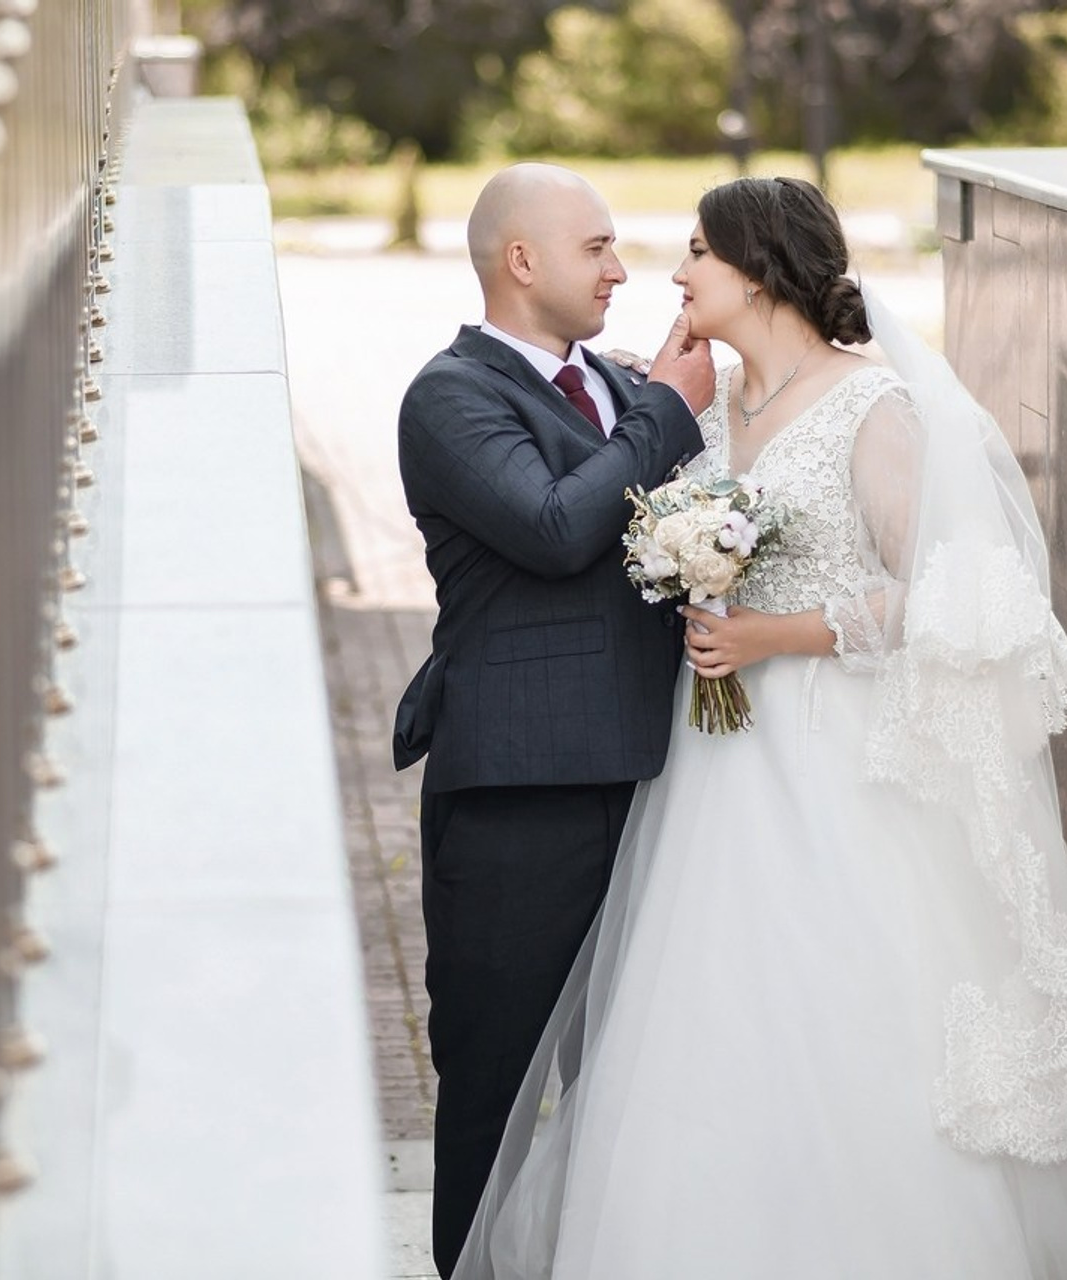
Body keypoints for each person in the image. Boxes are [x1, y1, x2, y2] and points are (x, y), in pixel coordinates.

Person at [453, 176, 1067, 1278]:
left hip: (834, 762)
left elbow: (942, 594)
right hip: (708, 764)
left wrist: (770, 635)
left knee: (837, 1006)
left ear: (760, 267)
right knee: (702, 1016)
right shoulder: (701, 408)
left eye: (697, 251)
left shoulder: (869, 407)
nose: (674, 272)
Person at [393, 162, 716, 1277]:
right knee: (493, 1079)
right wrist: (668, 410)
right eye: (597, 247)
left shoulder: (620, 385)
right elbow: (551, 525)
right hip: (519, 794)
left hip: (652, 776)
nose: (621, 270)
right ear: (521, 260)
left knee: (624, 1086)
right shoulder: (450, 396)